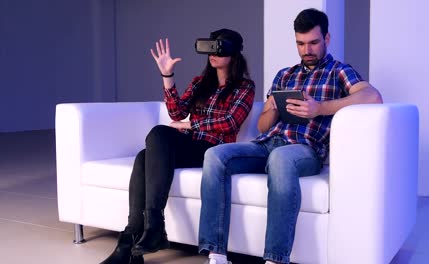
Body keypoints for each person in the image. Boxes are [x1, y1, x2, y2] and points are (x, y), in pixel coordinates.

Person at [198, 8, 382, 264]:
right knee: (215, 155)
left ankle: (275, 259)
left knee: (281, 159)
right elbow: (263, 127)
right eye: (301, 43)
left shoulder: (339, 71)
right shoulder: (284, 75)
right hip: (267, 144)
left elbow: (373, 97)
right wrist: (272, 108)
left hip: (305, 149)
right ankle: (216, 254)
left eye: (314, 43)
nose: (307, 50)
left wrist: (319, 108)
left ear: (327, 39)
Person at [99, 28, 255, 264]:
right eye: (209, 47)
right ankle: (133, 241)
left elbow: (230, 121)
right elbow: (176, 112)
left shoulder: (245, 87)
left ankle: (149, 232)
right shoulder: (200, 82)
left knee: (159, 134)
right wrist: (167, 76)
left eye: (218, 48)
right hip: (191, 145)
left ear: (233, 55)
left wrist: (191, 124)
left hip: (213, 151)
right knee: (144, 155)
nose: (212, 53)